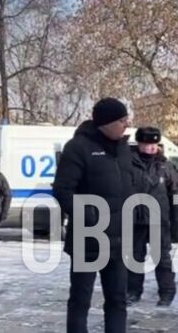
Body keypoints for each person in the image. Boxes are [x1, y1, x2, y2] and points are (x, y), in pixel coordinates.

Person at [54, 97, 139, 333]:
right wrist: (89, 217)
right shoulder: (79, 147)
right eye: (122, 120)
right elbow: (63, 190)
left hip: (119, 241)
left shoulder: (124, 149)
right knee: (81, 301)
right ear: (106, 122)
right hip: (88, 239)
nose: (126, 124)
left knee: (117, 300)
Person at [126, 126, 178, 307]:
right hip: (135, 218)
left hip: (159, 220)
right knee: (135, 257)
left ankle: (167, 292)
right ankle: (133, 291)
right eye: (147, 143)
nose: (151, 147)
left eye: (154, 144)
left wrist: (177, 223)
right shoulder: (127, 163)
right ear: (139, 143)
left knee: (162, 257)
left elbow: (175, 195)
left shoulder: (165, 166)